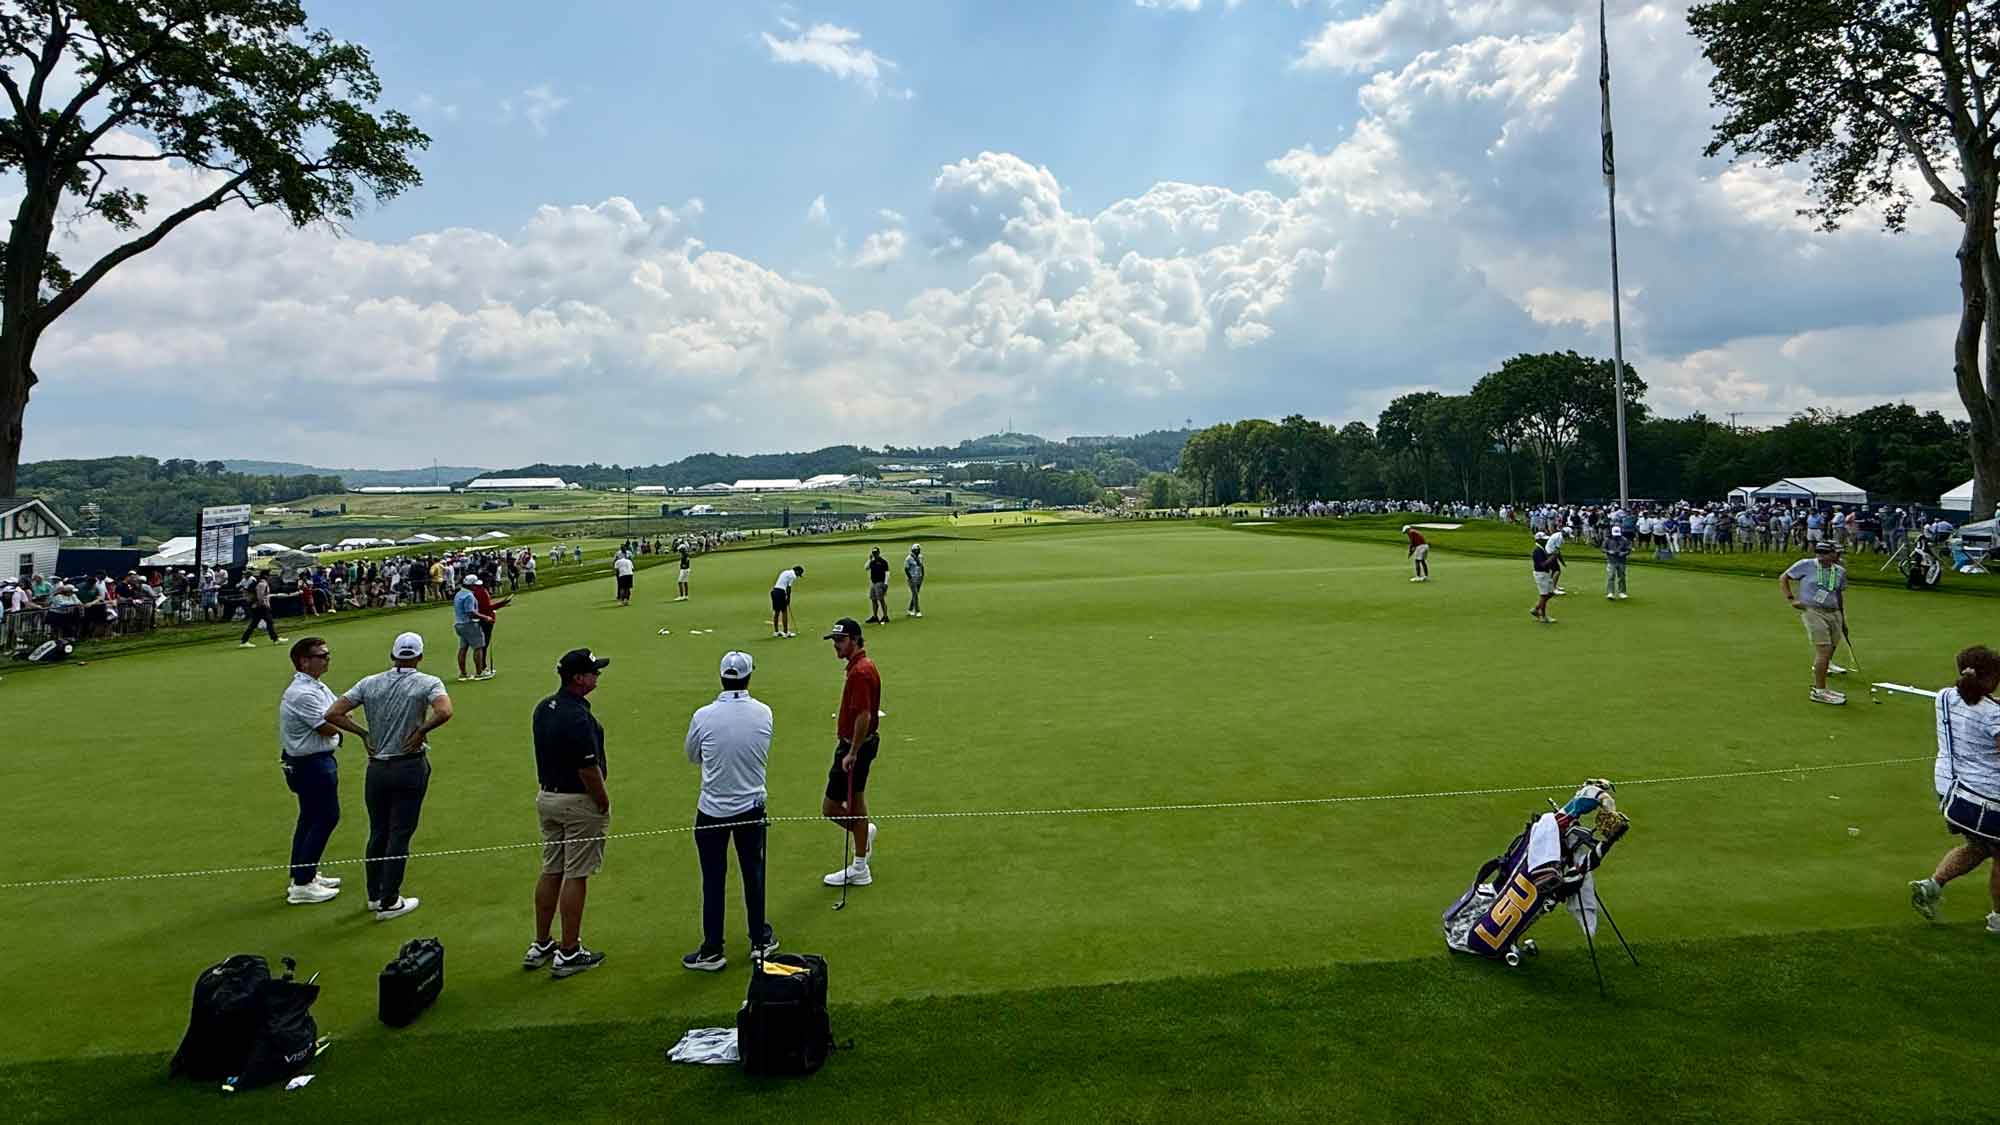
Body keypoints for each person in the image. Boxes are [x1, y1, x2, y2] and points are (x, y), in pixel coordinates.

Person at [326, 631, 454, 920]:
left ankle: (375, 895)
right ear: (419, 657)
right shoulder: (428, 682)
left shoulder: (369, 683)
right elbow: (445, 711)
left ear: (393, 655)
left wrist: (363, 734)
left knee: (378, 831)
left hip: (377, 768)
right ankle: (390, 900)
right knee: (399, 834)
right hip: (409, 765)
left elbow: (333, 713)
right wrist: (422, 731)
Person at [682, 650, 778, 971]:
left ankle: (712, 949)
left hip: (712, 809)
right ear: (749, 676)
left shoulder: (702, 715)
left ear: (722, 677)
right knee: (754, 872)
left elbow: (692, 755)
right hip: (751, 807)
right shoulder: (764, 713)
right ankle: (759, 940)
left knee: (713, 878)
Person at [526, 647, 613, 979]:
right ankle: (569, 950)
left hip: (548, 796)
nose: (597, 675)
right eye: (593, 671)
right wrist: (602, 801)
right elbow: (588, 768)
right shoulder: (577, 716)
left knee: (552, 868)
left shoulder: (543, 708)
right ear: (578, 678)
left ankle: (542, 942)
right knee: (575, 874)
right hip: (577, 802)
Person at [1910, 645, 2000, 933]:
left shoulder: (1945, 697)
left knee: (1979, 846)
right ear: (1990, 678)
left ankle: (1932, 886)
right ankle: (1998, 919)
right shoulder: (1993, 715)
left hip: (1951, 791)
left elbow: (1974, 704)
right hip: (1986, 798)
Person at [278, 636, 359, 905]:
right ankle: (302, 884)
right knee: (325, 817)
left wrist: (341, 719)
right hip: (310, 763)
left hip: (317, 759)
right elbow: (328, 724)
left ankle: (304, 874)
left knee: (310, 817)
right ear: (304, 661)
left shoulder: (316, 686)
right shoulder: (303, 693)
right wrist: (348, 726)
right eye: (321, 655)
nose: (327, 658)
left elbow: (341, 711)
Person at [821, 618, 881, 888]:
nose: (835, 645)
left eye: (840, 640)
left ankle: (861, 855)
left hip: (854, 747)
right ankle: (861, 850)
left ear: (855, 640)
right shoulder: (861, 667)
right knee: (856, 800)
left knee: (831, 807)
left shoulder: (860, 673)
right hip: (860, 745)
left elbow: (864, 715)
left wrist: (852, 752)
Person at [1782, 541, 1849, 705]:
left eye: (1826, 553)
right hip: (1812, 610)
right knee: (1824, 650)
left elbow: (1838, 594)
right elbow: (1784, 577)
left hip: (1833, 612)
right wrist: (1791, 599)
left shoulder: (1839, 571)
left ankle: (1825, 667)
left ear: (1834, 554)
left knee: (1832, 646)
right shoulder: (1806, 565)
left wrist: (1843, 618)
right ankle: (1819, 691)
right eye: (1819, 552)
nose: (1821, 556)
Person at [453, 575, 493, 682]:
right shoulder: (469, 596)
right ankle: (479, 673)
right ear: (471, 585)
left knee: (463, 648)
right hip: (469, 624)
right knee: (478, 647)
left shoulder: (459, 594)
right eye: (475, 585)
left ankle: (463, 674)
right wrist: (485, 617)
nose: (476, 587)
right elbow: (470, 612)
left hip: (459, 624)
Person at [473, 574, 511, 678]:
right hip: (486, 620)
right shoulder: (482, 592)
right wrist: (502, 604)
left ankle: (482, 667)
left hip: (483, 619)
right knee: (484, 644)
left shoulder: (477, 592)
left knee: (483, 644)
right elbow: (487, 608)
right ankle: (483, 667)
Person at [238, 570, 284, 648]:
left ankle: (275, 639)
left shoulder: (262, 583)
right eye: (269, 575)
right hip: (259, 606)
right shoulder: (262, 584)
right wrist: (264, 605)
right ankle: (275, 639)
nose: (270, 577)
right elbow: (260, 596)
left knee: (261, 623)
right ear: (266, 576)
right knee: (266, 622)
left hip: (258, 606)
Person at [1529, 533, 1559, 624]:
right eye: (1544, 539)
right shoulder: (1537, 550)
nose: (1546, 540)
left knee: (1550, 593)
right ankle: (1543, 616)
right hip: (1541, 574)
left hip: (1545, 574)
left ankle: (1536, 609)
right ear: (1538, 540)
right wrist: (1553, 557)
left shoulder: (1542, 549)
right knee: (1544, 595)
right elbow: (1542, 564)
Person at [771, 565, 804, 638]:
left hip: (774, 591)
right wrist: (788, 598)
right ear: (797, 571)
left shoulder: (785, 571)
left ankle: (776, 632)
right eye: (799, 574)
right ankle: (786, 632)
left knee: (776, 612)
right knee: (784, 611)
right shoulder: (793, 575)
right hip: (780, 593)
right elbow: (788, 588)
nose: (798, 576)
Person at [1603, 525, 1632, 600]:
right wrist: (1609, 551)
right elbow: (1603, 548)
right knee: (1611, 576)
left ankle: (1622, 592)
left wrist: (1624, 553)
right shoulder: (1608, 540)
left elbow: (1629, 550)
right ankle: (1610, 593)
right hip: (1611, 561)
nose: (1616, 536)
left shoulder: (1624, 540)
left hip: (1622, 561)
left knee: (1621, 577)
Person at [865, 548, 892, 624]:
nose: (875, 554)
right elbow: (866, 568)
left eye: (876, 553)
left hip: (880, 583)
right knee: (873, 599)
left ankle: (885, 616)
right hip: (873, 583)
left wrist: (886, 583)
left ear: (879, 553)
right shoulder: (872, 562)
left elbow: (887, 573)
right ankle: (875, 616)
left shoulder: (883, 562)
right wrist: (869, 559)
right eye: (873, 553)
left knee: (881, 600)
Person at [904, 544, 925, 617]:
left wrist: (922, 575)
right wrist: (910, 578)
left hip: (919, 577)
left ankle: (909, 610)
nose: (918, 551)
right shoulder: (909, 558)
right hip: (912, 578)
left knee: (915, 594)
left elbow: (921, 566)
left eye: (919, 550)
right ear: (913, 550)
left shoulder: (920, 557)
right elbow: (906, 569)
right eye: (917, 550)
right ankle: (917, 611)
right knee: (915, 594)